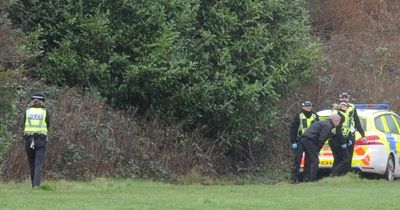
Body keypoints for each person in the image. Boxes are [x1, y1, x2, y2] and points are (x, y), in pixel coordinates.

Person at [298, 114, 341, 181]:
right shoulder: (328, 125)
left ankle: (306, 178)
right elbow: (322, 139)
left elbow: (324, 134)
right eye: (338, 122)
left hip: (304, 139)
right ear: (335, 120)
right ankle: (312, 179)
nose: (338, 124)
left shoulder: (324, 122)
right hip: (310, 140)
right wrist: (317, 150)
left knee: (308, 159)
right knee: (315, 161)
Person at [23, 92, 50, 188]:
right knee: (38, 163)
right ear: (42, 102)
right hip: (41, 139)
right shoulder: (45, 112)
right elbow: (48, 125)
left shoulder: (27, 111)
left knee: (31, 162)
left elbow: (23, 125)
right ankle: (36, 185)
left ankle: (33, 184)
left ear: (32, 101)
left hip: (28, 139)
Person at [289, 99, 319, 183]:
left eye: (309, 106)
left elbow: (318, 130)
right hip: (300, 140)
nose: (308, 107)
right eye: (306, 106)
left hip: (311, 141)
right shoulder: (299, 115)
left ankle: (306, 177)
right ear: (303, 107)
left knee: (308, 160)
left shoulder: (315, 116)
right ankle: (294, 178)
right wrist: (293, 141)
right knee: (297, 159)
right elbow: (293, 129)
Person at [339, 92, 366, 171]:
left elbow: (357, 121)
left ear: (348, 98)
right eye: (342, 98)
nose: (344, 99)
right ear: (340, 99)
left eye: (345, 97)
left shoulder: (352, 107)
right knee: (340, 156)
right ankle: (339, 173)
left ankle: (347, 173)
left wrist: (362, 134)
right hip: (339, 134)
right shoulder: (336, 107)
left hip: (350, 133)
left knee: (349, 155)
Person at [329, 101, 351, 176]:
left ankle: (334, 175)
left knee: (338, 159)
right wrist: (343, 142)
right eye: (342, 105)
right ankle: (334, 173)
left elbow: (347, 128)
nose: (344, 106)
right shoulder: (339, 114)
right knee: (346, 158)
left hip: (341, 138)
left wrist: (349, 138)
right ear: (339, 106)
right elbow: (338, 129)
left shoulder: (345, 115)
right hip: (337, 139)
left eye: (345, 105)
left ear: (347, 107)